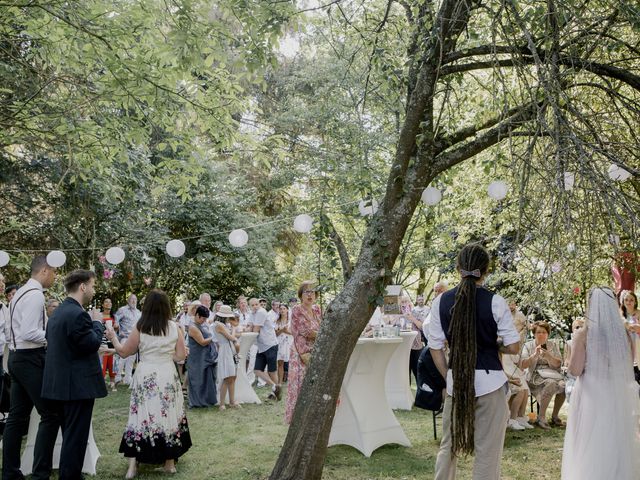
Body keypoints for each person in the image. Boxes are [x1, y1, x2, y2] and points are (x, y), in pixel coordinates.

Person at [429, 243, 520, 479]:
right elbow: (513, 346)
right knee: (487, 452)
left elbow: (435, 347)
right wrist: (494, 344)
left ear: (458, 268)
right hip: (491, 383)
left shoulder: (441, 302)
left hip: (457, 383)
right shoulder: (496, 301)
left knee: (448, 448)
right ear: (486, 270)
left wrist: (449, 375)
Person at [106, 289, 191, 478]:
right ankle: (169, 464)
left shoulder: (141, 326)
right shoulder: (173, 327)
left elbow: (124, 352)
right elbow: (180, 356)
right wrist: (165, 354)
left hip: (146, 375)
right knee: (168, 414)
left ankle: (132, 466)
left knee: (141, 414)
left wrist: (112, 337)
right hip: (167, 374)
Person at [561, 287, 640, 479]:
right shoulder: (625, 334)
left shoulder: (584, 333)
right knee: (615, 436)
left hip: (591, 393)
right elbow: (629, 365)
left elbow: (576, 370)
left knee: (589, 438)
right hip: (615, 392)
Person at [41, 270, 107, 479]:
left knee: (70, 435)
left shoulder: (57, 313)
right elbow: (91, 343)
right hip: (76, 387)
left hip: (58, 385)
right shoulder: (78, 314)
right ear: (82, 287)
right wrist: (97, 322)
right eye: (93, 286)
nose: (94, 290)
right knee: (75, 439)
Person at [2, 255, 59, 480]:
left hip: (15, 358)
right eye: (54, 272)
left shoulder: (19, 294)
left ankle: (10, 473)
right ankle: (40, 474)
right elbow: (29, 332)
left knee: (16, 417)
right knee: (51, 414)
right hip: (30, 359)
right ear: (45, 270)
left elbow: (10, 332)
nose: (55, 277)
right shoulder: (35, 295)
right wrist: (52, 337)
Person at [285, 281, 322, 424]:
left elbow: (322, 326)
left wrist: (321, 333)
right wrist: (325, 334)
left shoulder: (318, 309)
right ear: (300, 295)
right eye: (306, 292)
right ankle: (299, 419)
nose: (310, 294)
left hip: (316, 352)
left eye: (313, 292)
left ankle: (313, 416)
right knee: (300, 387)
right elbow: (306, 332)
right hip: (301, 354)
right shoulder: (296, 310)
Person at [519, 321, 566, 429]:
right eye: (538, 332)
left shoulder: (552, 345)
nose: (541, 334)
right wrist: (534, 355)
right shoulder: (528, 345)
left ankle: (555, 416)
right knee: (551, 384)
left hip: (552, 373)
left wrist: (549, 356)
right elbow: (523, 365)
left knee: (563, 385)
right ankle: (541, 418)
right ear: (534, 334)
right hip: (535, 376)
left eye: (544, 332)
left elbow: (558, 364)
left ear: (548, 334)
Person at [501, 308, 533, 430]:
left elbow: (515, 359)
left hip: (511, 366)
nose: (520, 327)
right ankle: (512, 419)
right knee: (520, 389)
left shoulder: (517, 338)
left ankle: (520, 417)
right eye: (519, 325)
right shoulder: (504, 336)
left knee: (525, 390)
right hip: (504, 366)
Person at [249, 297, 281, 400]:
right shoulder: (252, 313)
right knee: (257, 370)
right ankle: (275, 386)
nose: (254, 306)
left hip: (270, 344)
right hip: (261, 346)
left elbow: (256, 329)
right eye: (252, 305)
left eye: (256, 304)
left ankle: (276, 394)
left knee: (272, 371)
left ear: (259, 304)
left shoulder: (261, 312)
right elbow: (249, 326)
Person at [187, 305, 218, 408]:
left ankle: (208, 399)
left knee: (207, 378)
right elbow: (202, 342)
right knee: (198, 379)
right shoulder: (193, 327)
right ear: (197, 315)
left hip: (206, 356)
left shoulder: (203, 324)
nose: (204, 321)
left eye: (206, 319)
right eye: (203, 318)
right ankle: (197, 401)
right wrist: (213, 338)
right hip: (197, 357)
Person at [213, 305, 239, 410]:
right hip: (225, 350)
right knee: (226, 376)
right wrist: (234, 328)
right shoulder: (219, 325)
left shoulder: (223, 324)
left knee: (232, 376)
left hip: (229, 349)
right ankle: (222, 403)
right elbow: (232, 338)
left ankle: (232, 401)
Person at [114, 294, 141, 386]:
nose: (134, 301)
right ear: (128, 301)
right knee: (122, 358)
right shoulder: (122, 310)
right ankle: (117, 377)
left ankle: (127, 378)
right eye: (132, 299)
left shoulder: (138, 312)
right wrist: (116, 324)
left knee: (131, 359)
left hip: (135, 338)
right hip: (125, 337)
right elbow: (116, 318)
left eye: (135, 299)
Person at [620, 290, 640, 382]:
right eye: (626, 300)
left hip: (637, 343)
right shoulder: (621, 315)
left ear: (635, 301)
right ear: (623, 302)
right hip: (625, 345)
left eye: (631, 300)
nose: (628, 302)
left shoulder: (639, 313)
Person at [99, 298, 118, 392]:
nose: (108, 303)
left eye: (110, 302)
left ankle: (112, 384)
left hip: (111, 342)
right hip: (102, 342)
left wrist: (116, 327)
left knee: (112, 364)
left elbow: (117, 330)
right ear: (103, 304)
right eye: (106, 301)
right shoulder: (99, 315)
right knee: (103, 363)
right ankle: (101, 385)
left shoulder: (114, 316)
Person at [275, 304, 292, 385]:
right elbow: (276, 334)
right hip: (280, 343)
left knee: (291, 362)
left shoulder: (291, 320)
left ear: (287, 310)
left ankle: (292, 381)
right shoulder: (277, 321)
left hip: (289, 343)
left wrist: (285, 331)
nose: (282, 310)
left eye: (284, 308)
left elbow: (293, 333)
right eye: (280, 309)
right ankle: (280, 382)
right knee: (280, 363)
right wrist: (282, 330)